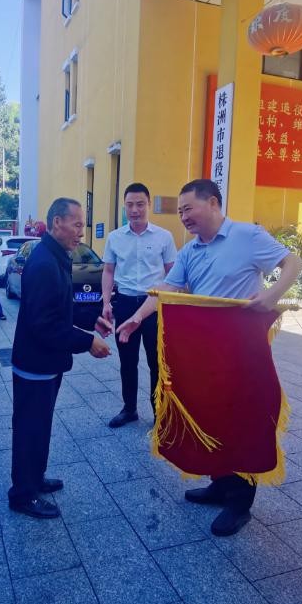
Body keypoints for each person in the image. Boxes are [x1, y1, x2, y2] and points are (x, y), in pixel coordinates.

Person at [116, 179, 302, 536]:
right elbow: (166, 288)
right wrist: (137, 317)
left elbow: (293, 263)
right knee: (211, 414)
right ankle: (220, 484)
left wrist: (272, 294)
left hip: (242, 351)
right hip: (206, 353)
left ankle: (240, 503)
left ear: (213, 203)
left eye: (188, 209)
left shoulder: (248, 236)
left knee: (241, 420)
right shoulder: (190, 251)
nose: (183, 216)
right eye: (180, 211)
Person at [9, 198, 112, 519]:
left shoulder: (57, 256)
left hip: (46, 362)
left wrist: (92, 320)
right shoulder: (43, 263)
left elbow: (62, 305)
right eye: (77, 224)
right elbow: (45, 324)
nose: (81, 231)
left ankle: (35, 478)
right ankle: (23, 494)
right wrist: (88, 342)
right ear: (57, 223)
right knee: (30, 429)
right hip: (35, 363)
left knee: (40, 426)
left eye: (83, 225)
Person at [102, 182, 177, 428]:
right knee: (127, 360)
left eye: (140, 204)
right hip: (124, 303)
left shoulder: (164, 237)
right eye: (130, 205)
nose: (135, 210)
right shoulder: (114, 238)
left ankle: (159, 412)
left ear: (149, 204)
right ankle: (129, 408)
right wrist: (106, 302)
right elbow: (108, 271)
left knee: (156, 362)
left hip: (154, 306)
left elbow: (172, 273)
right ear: (124, 206)